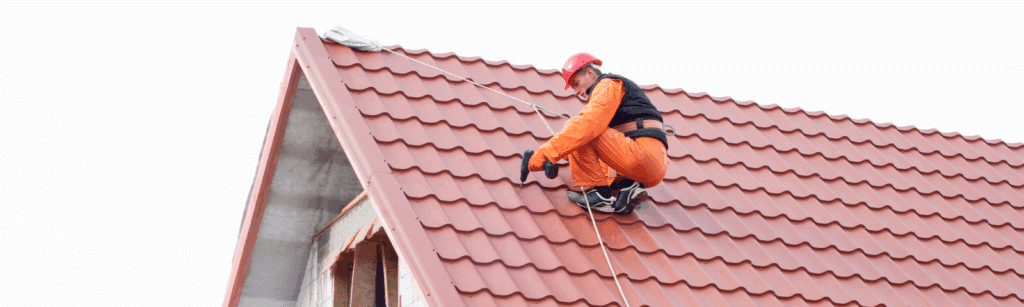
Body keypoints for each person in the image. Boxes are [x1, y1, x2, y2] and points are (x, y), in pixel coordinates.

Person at [526, 53, 669, 214]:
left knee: (581, 128)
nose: (576, 91)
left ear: (590, 73)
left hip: (640, 155)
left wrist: (540, 158)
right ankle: (627, 186)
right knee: (584, 134)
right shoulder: (617, 92)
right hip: (653, 164)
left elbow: (586, 127)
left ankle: (601, 195)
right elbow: (600, 146)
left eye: (576, 83)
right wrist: (558, 158)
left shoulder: (607, 84)